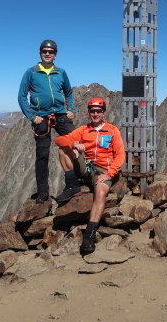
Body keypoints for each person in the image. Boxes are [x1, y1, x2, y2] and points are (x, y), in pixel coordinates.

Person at [54, 97, 125, 254]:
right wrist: (73, 144)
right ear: (89, 113)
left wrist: (109, 174)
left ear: (104, 112)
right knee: (64, 150)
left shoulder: (113, 130)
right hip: (87, 167)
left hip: (103, 170)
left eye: (98, 111)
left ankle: (89, 235)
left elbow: (120, 155)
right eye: (92, 111)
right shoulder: (83, 130)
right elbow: (59, 140)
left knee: (100, 193)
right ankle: (73, 186)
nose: (95, 114)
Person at [18, 39, 76, 203]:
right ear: (40, 53)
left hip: (60, 114)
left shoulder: (61, 72)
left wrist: (71, 109)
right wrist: (32, 116)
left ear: (55, 55)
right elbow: (22, 96)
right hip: (40, 117)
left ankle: (74, 183)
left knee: (75, 142)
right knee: (42, 155)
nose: (47, 54)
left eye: (51, 52)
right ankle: (43, 192)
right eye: (44, 51)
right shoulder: (31, 72)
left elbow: (68, 92)